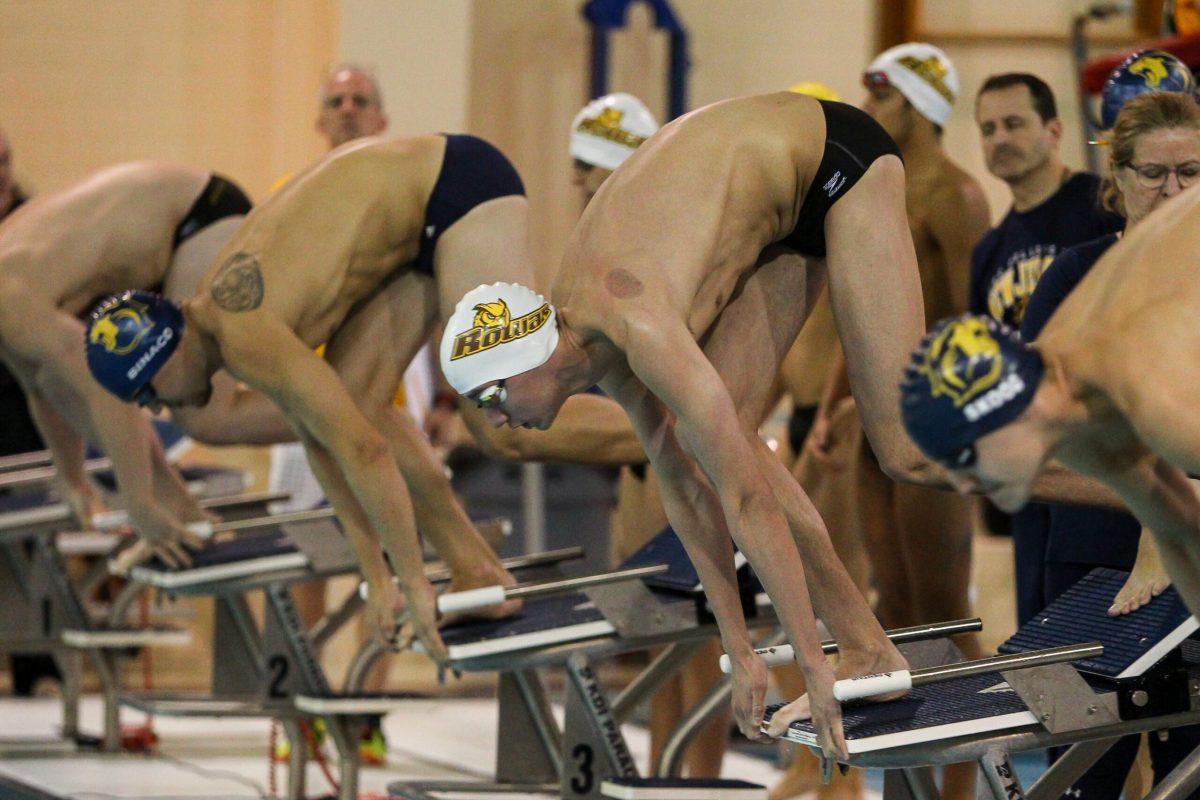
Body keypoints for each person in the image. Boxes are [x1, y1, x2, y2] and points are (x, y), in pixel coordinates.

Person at [440, 90, 930, 759]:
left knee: (905, 447)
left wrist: (809, 663)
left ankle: (1105, 471)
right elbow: (679, 476)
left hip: (838, 161)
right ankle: (868, 646)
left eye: (492, 397)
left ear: (526, 360)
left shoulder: (632, 322)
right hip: (781, 207)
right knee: (707, 446)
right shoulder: (591, 346)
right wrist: (736, 639)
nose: (495, 420)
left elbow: (747, 496)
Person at [84, 133, 646, 662]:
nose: (160, 409)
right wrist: (377, 575)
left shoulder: (242, 334)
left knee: (499, 418)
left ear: (166, 351)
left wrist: (406, 583)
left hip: (458, 190)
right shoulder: (228, 326)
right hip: (415, 228)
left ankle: (668, 435)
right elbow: (327, 445)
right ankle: (476, 569)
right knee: (359, 401)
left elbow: (367, 453)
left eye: (150, 393)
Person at [1018, 90, 1200, 800]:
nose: (1175, 191)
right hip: (1092, 567)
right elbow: (1037, 433)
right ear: (1116, 180)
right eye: (1155, 174)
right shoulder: (1075, 279)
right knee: (1085, 781)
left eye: (1191, 172)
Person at [0, 162, 251, 564]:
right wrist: (71, 478)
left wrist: (139, 504)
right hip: (172, 231)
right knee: (55, 376)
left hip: (201, 215)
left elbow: (105, 388)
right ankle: (178, 505)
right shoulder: (9, 313)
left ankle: (353, 421)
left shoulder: (6, 299)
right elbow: (41, 387)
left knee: (205, 418)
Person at [971, 72, 1125, 629]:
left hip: (1100, 455)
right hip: (1031, 463)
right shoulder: (990, 248)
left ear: (1055, 129)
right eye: (987, 128)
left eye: (1014, 123)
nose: (999, 139)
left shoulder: (1102, 211)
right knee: (1038, 628)